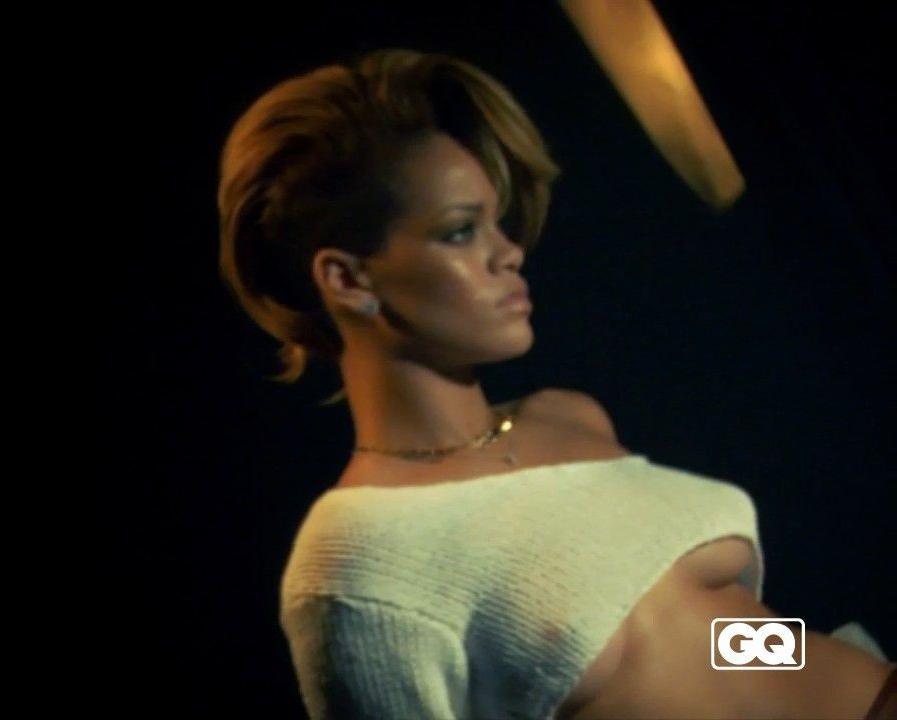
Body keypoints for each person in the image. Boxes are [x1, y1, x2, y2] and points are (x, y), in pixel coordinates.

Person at [216, 47, 897, 719]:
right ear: (347, 279)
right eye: (460, 231)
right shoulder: (357, 566)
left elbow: (710, 639)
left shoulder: (566, 418)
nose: (509, 251)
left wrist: (818, 676)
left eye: (497, 222)